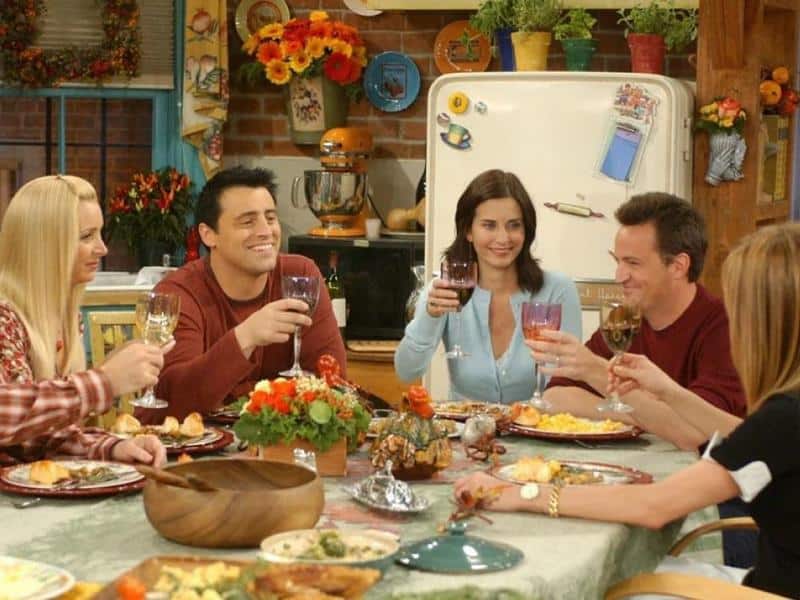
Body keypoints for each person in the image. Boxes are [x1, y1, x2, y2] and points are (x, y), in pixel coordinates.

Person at [456, 223, 800, 598]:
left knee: (600, 581)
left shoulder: (783, 417)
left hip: (762, 592)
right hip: (766, 577)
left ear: (765, 323)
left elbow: (655, 506)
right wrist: (667, 391)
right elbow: (744, 435)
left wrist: (519, 493)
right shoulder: (787, 412)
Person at [535, 193, 745, 450]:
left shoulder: (724, 328)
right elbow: (555, 398)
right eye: (618, 261)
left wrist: (597, 372)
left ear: (678, 266)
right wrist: (643, 415)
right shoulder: (624, 319)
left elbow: (696, 435)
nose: (619, 276)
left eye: (633, 263)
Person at [143, 166, 346, 421]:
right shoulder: (177, 294)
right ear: (208, 235)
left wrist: (251, 396)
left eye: (270, 218)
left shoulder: (300, 276)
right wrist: (245, 337)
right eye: (248, 222)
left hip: (278, 442)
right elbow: (171, 403)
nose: (266, 232)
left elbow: (334, 383)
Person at [0, 175, 168, 467]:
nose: (102, 249)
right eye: (86, 236)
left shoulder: (64, 316)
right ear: (45, 245)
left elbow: (35, 436)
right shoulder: (4, 316)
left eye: (99, 234)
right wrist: (104, 381)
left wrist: (113, 447)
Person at [395, 169, 581, 403]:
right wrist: (429, 317)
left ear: (526, 230)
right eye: (489, 225)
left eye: (514, 225)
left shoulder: (558, 291)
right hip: (463, 426)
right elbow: (406, 371)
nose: (503, 238)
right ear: (468, 231)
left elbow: (569, 380)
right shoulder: (446, 289)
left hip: (536, 424)